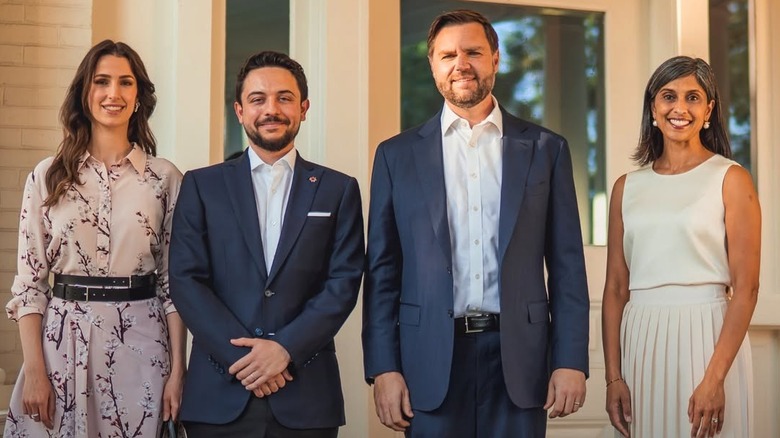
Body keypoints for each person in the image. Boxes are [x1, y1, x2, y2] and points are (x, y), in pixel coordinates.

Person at [362, 9, 590, 437]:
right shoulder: (396, 156)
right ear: (432, 65)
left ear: (495, 59)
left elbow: (567, 267)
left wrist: (570, 359)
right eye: (448, 55)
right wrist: (383, 367)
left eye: (473, 52)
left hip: (520, 361)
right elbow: (382, 272)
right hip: (427, 360)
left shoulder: (545, 149)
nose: (460, 64)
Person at [169, 51, 364, 437]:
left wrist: (284, 349)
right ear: (240, 111)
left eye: (284, 98)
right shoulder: (201, 186)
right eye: (258, 99)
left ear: (304, 108)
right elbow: (186, 280)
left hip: (306, 395)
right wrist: (247, 360)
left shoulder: (338, 189)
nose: (271, 109)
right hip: (219, 395)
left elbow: (342, 284)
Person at [3, 40, 186, 437]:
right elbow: (30, 285)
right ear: (85, 92)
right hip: (60, 346)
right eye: (101, 81)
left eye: (126, 83)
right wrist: (35, 370)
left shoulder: (165, 179)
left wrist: (178, 371)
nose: (113, 93)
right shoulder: (47, 175)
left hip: (143, 348)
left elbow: (174, 285)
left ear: (139, 97)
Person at [602, 56, 759, 438]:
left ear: (709, 109)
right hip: (641, 339)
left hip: (706, 337)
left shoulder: (731, 178)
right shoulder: (627, 187)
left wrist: (715, 377)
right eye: (669, 96)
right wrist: (613, 378)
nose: (680, 108)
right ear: (653, 108)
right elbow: (616, 289)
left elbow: (748, 289)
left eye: (693, 97)